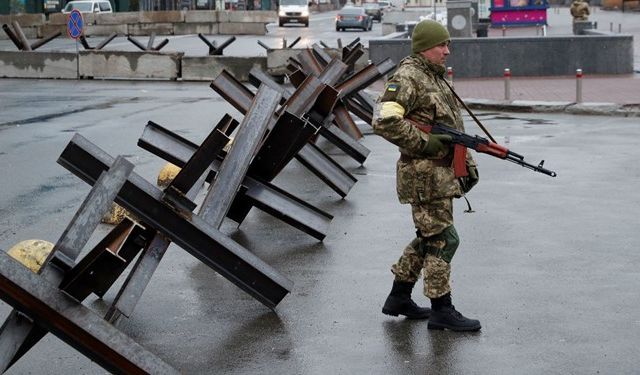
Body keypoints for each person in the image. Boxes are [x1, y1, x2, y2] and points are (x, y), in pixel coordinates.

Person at [373, 19, 481, 332]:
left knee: (429, 237)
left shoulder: (433, 77)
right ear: (425, 47)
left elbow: (451, 132)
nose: (447, 51)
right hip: (423, 176)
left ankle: (399, 298)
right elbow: (384, 120)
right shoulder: (408, 76)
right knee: (444, 239)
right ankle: (441, 309)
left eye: (448, 44)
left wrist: (467, 164)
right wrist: (425, 142)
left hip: (439, 174)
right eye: (442, 45)